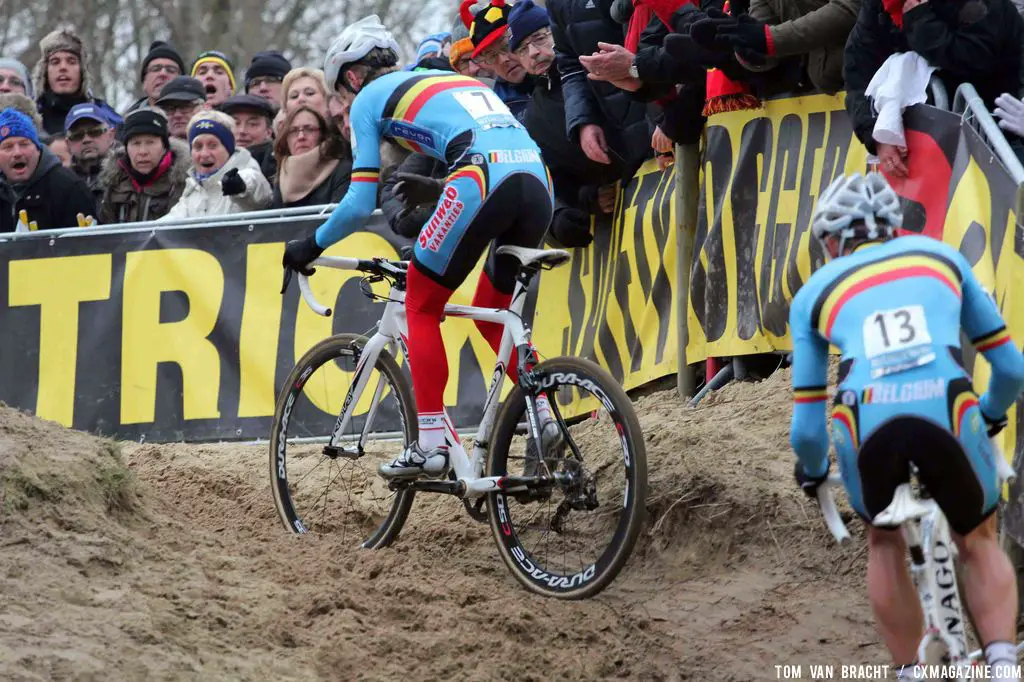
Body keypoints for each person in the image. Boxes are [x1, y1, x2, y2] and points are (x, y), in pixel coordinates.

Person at [283, 15, 558, 479]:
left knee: (422, 303)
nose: (347, 104)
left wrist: (310, 244)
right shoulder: (445, 78)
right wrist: (438, 191)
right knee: (493, 308)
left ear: (352, 76)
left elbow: (359, 201)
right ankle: (545, 417)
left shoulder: (369, 97)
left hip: (481, 177)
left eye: (341, 93)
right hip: (537, 180)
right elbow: (486, 142)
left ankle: (429, 443)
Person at [789, 172, 1024, 682]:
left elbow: (806, 429)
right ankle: (1004, 665)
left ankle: (910, 671)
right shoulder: (941, 256)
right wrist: (987, 414)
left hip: (865, 416)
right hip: (947, 405)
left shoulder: (813, 293)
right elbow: (1011, 370)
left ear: (832, 240)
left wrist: (811, 470)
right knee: (979, 536)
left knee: (883, 537)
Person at [161, 110, 272, 219]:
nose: (204, 154)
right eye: (198, 146)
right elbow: (169, 224)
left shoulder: (245, 170)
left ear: (229, 148)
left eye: (213, 145)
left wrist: (241, 185)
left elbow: (258, 190)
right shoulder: (193, 187)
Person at [0, 108, 96, 232]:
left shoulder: (68, 187)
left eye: (24, 144)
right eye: (7, 147)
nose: (17, 153)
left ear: (37, 149)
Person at [98, 108, 190, 224]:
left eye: (150, 142)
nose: (142, 151)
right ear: (126, 149)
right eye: (135, 143)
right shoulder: (115, 183)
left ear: (165, 147)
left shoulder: (184, 184)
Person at [32, 28, 121, 136]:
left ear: (82, 71)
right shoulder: (30, 118)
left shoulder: (107, 117)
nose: (63, 67)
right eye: (55, 62)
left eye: (71, 61)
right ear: (45, 71)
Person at [271, 105, 351, 208]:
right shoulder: (282, 175)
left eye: (309, 129)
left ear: (322, 135)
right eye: (293, 131)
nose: (301, 137)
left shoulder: (343, 170)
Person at [64, 103, 118, 208]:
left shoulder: (128, 173)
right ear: (68, 144)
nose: (86, 139)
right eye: (77, 136)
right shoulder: (62, 182)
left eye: (95, 132)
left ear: (111, 136)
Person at [220, 93, 277, 178]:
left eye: (252, 124)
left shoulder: (277, 168)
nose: (242, 131)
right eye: (235, 123)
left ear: (269, 131)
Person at [125, 41, 185, 115]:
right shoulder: (126, 124)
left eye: (171, 70)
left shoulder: (198, 121)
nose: (163, 73)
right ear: (144, 82)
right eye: (155, 69)